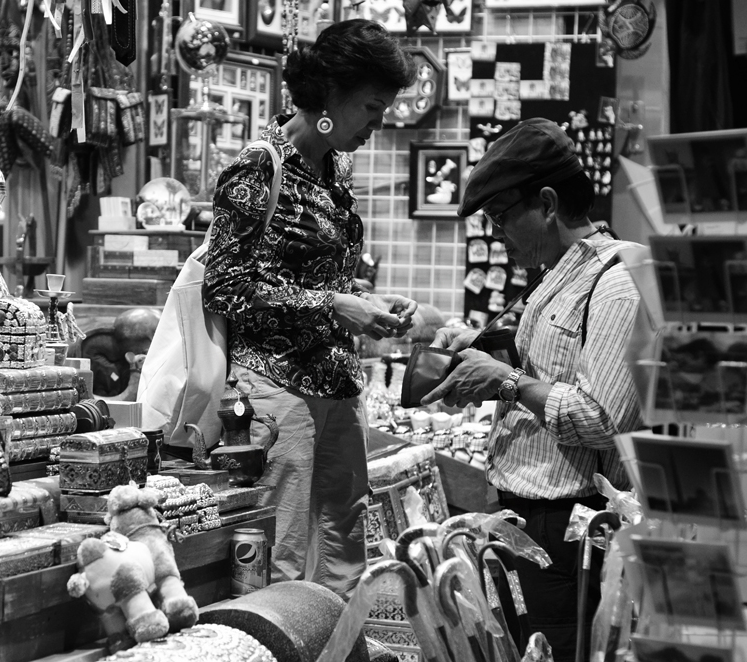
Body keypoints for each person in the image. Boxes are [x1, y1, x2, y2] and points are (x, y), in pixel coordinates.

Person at [202, 19, 419, 597]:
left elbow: (318, 275)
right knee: (279, 558)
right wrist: (333, 306)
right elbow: (225, 288)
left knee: (347, 553)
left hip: (337, 388)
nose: (379, 123)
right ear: (329, 97)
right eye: (372, 107)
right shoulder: (258, 166)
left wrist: (362, 302)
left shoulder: (336, 170)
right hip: (275, 390)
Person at [420, 118, 646, 661]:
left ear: (546, 204)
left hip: (570, 526)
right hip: (527, 514)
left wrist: (506, 381)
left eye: (502, 218)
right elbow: (552, 366)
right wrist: (484, 355)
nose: (499, 235)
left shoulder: (615, 281)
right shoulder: (556, 274)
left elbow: (605, 419)